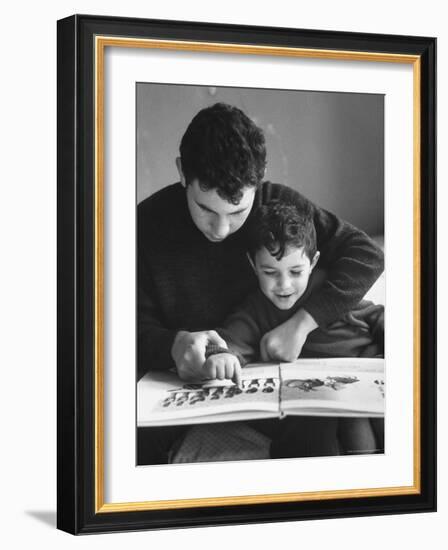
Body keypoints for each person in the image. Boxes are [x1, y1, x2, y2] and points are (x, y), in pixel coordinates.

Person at [137, 102, 384, 463]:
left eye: (237, 212)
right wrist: (170, 344)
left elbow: (366, 254)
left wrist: (302, 325)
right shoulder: (144, 226)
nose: (220, 229)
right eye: (205, 209)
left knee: (329, 430)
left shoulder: (278, 206)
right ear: (181, 172)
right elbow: (112, 326)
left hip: (289, 378)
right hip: (196, 377)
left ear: (261, 176)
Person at [203, 200, 384, 457]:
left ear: (313, 262)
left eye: (296, 271)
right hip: (320, 402)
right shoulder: (255, 309)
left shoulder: (331, 293)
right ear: (253, 265)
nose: (284, 285)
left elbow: (379, 316)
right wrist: (219, 355)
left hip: (368, 375)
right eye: (270, 272)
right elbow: (229, 341)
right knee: (326, 433)